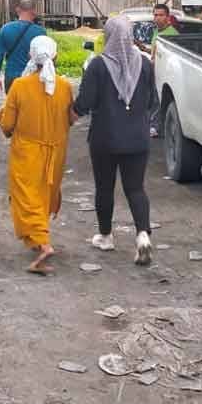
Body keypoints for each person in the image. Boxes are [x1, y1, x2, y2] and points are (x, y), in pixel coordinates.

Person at [73, 16, 158, 265]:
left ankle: (106, 236)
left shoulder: (98, 66)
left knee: (104, 187)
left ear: (108, 36)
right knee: (136, 188)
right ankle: (142, 235)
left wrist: (69, 115)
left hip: (105, 139)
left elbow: (84, 103)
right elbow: (152, 101)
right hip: (138, 138)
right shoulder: (145, 64)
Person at [0, 36, 74, 274]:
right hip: (56, 151)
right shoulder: (64, 86)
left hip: (27, 153)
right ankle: (38, 239)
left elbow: (7, 125)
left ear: (31, 55)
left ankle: (43, 243)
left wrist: (2, 119)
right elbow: (69, 120)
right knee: (45, 195)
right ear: (55, 55)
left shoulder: (20, 86)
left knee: (26, 197)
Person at [0, 0, 46, 96]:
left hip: (11, 77)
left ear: (18, 10)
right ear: (34, 12)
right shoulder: (40, 32)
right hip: (32, 77)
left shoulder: (5, 29)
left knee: (12, 105)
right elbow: (45, 57)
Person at [146, 3, 179, 137]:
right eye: (155, 15)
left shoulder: (172, 34)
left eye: (161, 15)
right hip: (155, 72)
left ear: (167, 17)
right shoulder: (157, 31)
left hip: (164, 74)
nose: (157, 18)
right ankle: (153, 125)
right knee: (153, 100)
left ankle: (156, 127)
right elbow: (156, 52)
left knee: (158, 101)